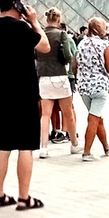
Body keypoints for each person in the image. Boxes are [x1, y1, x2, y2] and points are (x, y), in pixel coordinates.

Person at [0, 0, 49, 209]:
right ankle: (24, 197)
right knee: (25, 146)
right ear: (18, 3)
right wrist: (34, 21)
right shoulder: (22, 29)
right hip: (25, 93)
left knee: (4, 145)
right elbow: (45, 47)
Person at [36, 8, 79, 159]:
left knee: (45, 115)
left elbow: (35, 54)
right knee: (68, 113)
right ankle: (74, 144)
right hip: (60, 76)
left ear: (47, 19)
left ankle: (43, 148)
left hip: (43, 76)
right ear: (59, 19)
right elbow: (68, 56)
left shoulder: (39, 34)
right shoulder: (62, 34)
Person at [75, 16, 109, 160]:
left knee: (97, 118)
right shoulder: (104, 45)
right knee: (93, 119)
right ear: (98, 29)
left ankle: (106, 147)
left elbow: (75, 66)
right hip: (99, 86)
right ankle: (87, 152)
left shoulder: (81, 44)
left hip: (84, 87)